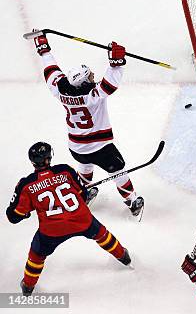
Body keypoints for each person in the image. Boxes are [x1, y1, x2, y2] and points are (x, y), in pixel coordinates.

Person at [32, 31, 143, 217]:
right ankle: (132, 200)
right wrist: (116, 63)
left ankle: (85, 191)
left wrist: (43, 48)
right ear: (83, 83)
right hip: (100, 147)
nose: (94, 78)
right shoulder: (92, 96)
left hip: (76, 147)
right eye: (90, 77)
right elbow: (110, 83)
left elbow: (51, 71)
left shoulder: (61, 91)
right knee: (118, 172)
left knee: (85, 167)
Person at [6, 142, 131, 296]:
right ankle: (124, 256)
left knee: (37, 254)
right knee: (101, 234)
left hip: (52, 231)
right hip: (81, 220)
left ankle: (28, 286)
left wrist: (26, 212)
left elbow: (13, 216)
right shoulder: (65, 170)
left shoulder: (26, 184)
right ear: (49, 158)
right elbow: (83, 196)